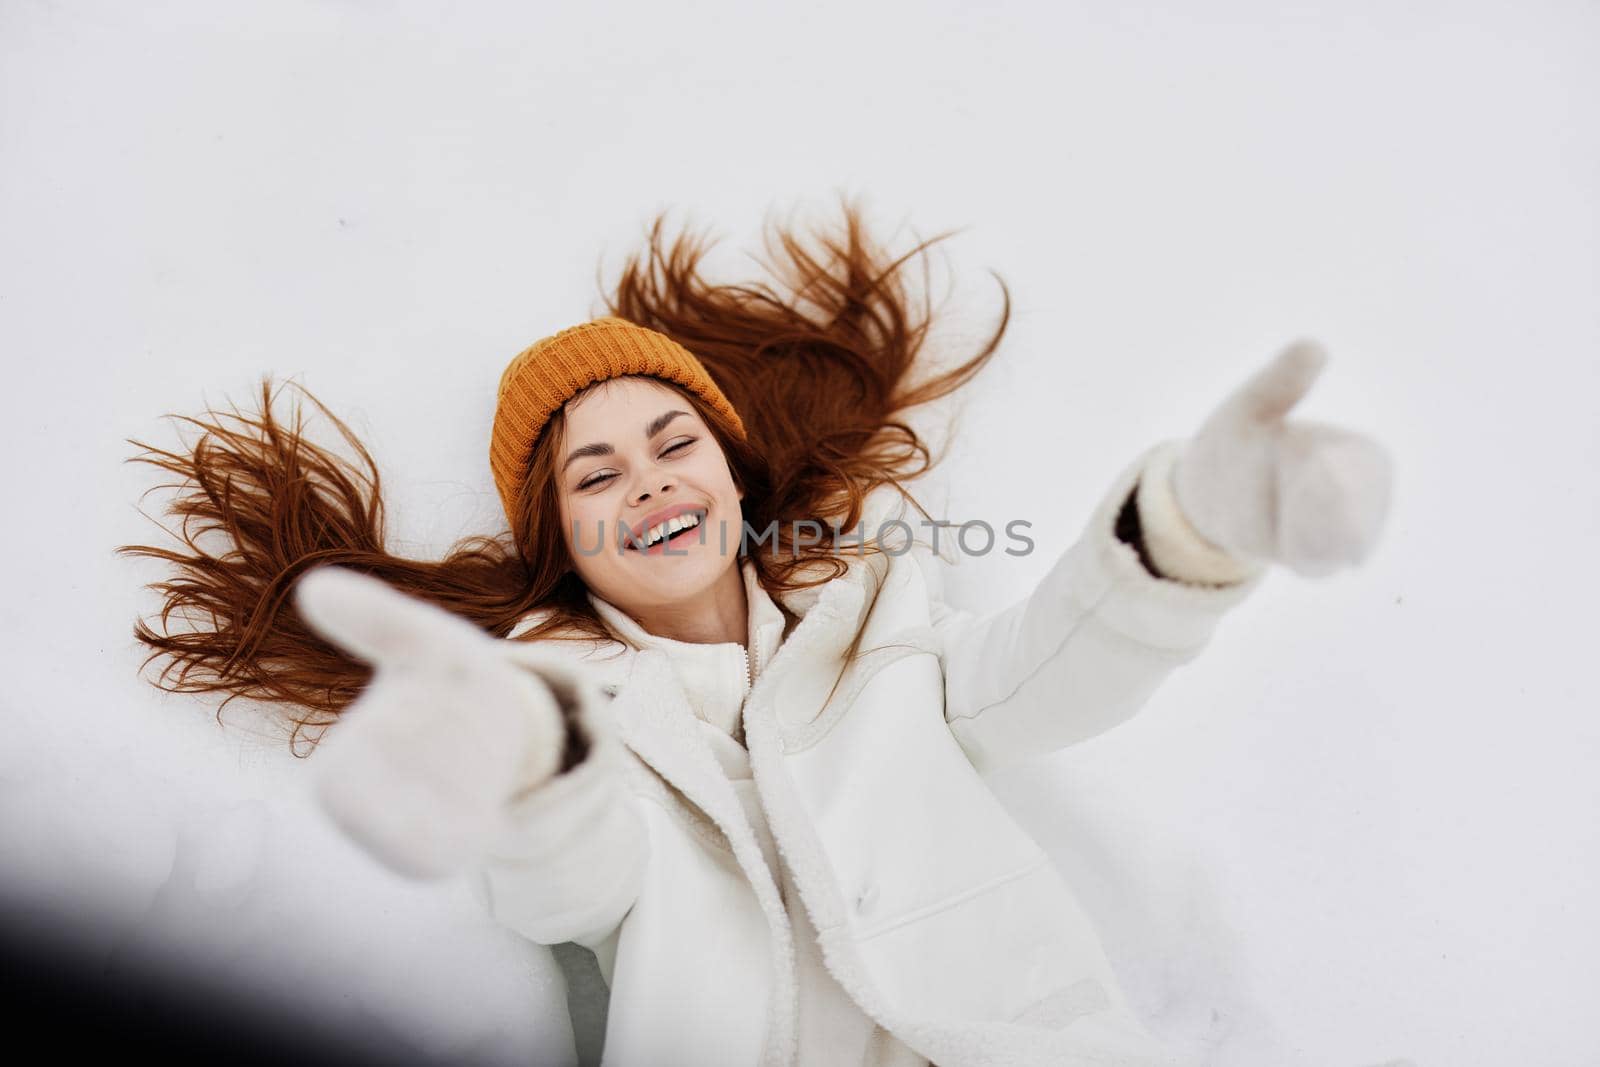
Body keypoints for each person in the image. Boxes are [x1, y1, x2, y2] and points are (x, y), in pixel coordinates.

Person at [121, 197, 1393, 1067]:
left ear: (735, 481)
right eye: (597, 475)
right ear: (563, 543)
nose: (652, 483)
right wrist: (528, 770)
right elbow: (571, 882)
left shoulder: (881, 628)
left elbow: (1047, 678)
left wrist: (1185, 530)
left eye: (675, 445)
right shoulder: (566, 709)